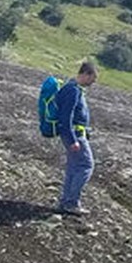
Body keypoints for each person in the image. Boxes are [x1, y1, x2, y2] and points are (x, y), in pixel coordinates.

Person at [51, 58, 97, 219]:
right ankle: (71, 202)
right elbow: (66, 116)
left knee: (73, 168)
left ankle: (65, 202)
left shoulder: (71, 88)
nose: (93, 82)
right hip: (74, 135)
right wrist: (72, 140)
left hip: (75, 134)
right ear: (85, 74)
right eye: (92, 78)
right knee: (86, 165)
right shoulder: (73, 90)